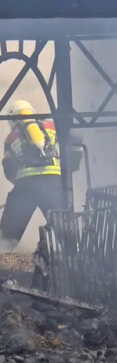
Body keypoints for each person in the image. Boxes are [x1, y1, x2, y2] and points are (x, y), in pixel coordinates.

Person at [0, 100, 64, 251]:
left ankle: (3, 252)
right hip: (53, 182)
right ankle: (75, 251)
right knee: (62, 222)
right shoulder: (51, 127)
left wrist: (19, 186)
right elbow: (70, 143)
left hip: (26, 185)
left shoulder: (10, 138)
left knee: (8, 232)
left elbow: (9, 168)